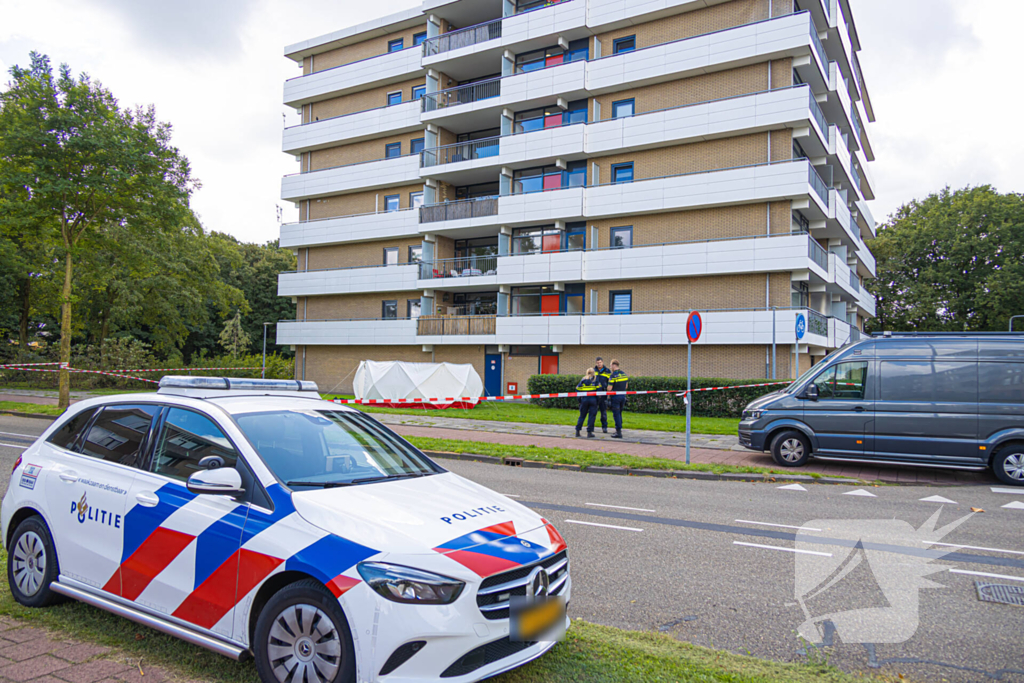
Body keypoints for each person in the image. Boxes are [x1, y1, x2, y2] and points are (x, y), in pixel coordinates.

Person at [575, 368, 600, 438]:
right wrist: (597, 401)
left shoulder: (583, 380)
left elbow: (577, 390)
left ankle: (577, 431)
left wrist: (580, 400)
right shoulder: (596, 381)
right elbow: (599, 392)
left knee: (582, 416)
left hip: (584, 400)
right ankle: (589, 432)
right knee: (592, 416)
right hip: (593, 400)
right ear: (593, 373)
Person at [608, 359, 629, 438]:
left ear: (614, 365)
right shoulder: (624, 374)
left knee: (616, 414)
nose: (610, 367)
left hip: (616, 397)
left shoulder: (613, 375)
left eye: (610, 366)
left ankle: (618, 432)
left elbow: (609, 388)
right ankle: (619, 429)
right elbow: (626, 386)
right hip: (623, 396)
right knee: (619, 413)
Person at [594, 357, 612, 433]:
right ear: (596, 363)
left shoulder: (607, 371)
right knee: (593, 411)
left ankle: (604, 427)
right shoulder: (593, 370)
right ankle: (591, 427)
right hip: (594, 394)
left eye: (600, 362)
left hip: (604, 394)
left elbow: (610, 382)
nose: (599, 364)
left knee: (603, 412)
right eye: (598, 362)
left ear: (603, 362)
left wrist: (609, 394)